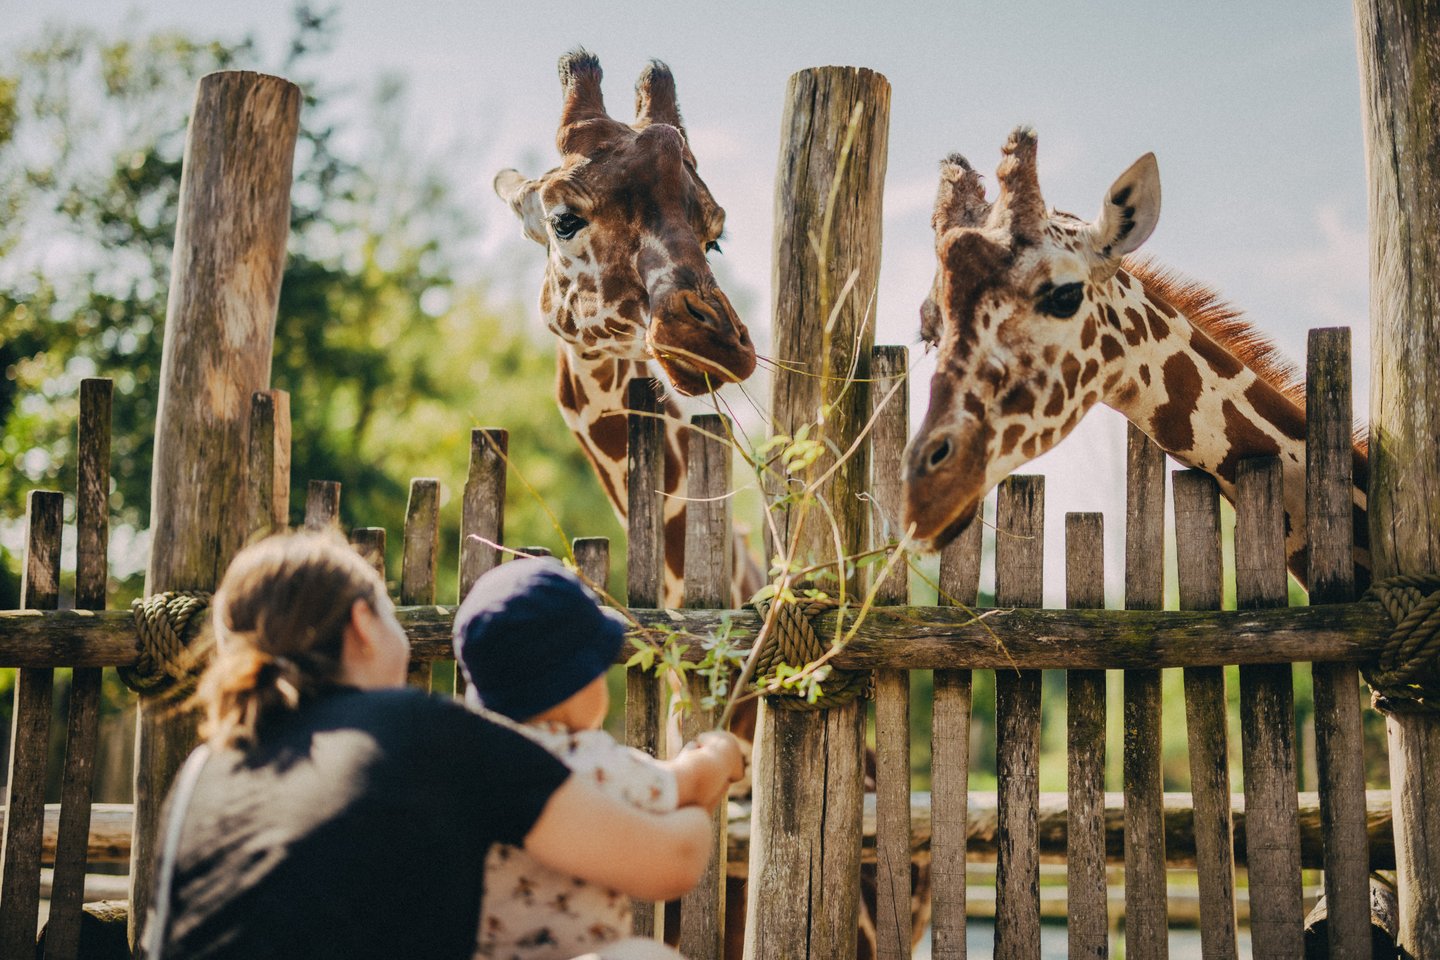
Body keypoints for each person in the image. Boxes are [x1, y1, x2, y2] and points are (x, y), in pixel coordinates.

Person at [146, 531, 723, 960]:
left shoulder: (206, 768)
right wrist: (704, 786)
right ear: (363, 624)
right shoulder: (417, 730)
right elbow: (669, 860)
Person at [453, 558, 744, 960]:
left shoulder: (466, 759)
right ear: (575, 684)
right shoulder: (582, 760)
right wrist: (720, 754)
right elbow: (685, 784)